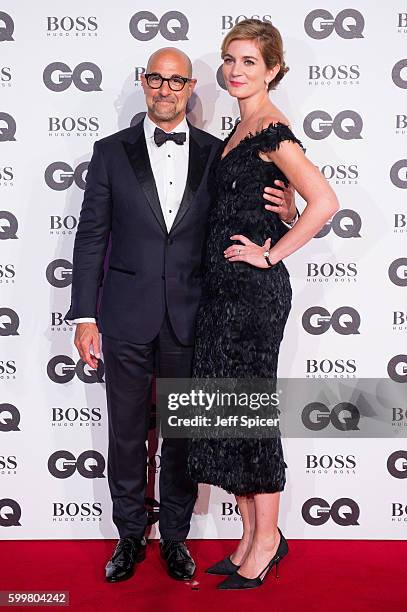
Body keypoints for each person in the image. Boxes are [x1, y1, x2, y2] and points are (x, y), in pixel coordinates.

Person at [66, 46, 298, 583]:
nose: (165, 90)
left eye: (177, 81)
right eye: (156, 79)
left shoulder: (219, 153)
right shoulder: (109, 152)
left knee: (184, 434)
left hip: (196, 316)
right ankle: (128, 537)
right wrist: (84, 316)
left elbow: (251, 211)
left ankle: (175, 538)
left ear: (192, 86)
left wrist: (288, 213)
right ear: (143, 82)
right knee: (126, 433)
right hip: (123, 315)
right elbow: (90, 239)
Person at [187, 19, 340, 590]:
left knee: (248, 415)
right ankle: (250, 538)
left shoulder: (272, 129)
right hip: (222, 293)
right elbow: (274, 195)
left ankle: (268, 540)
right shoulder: (239, 130)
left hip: (251, 296)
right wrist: (283, 202)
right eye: (230, 59)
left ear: (272, 69)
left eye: (249, 61)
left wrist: (272, 254)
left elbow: (324, 200)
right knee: (229, 414)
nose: (234, 70)